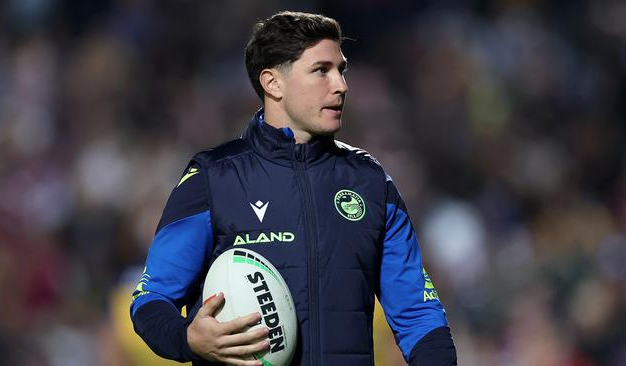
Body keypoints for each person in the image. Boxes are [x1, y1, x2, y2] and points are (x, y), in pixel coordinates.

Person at [130, 11, 457, 366]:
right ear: (273, 83)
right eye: (321, 70)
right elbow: (151, 298)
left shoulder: (371, 182)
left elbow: (418, 314)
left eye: (341, 70)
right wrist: (187, 339)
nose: (341, 85)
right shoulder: (213, 178)